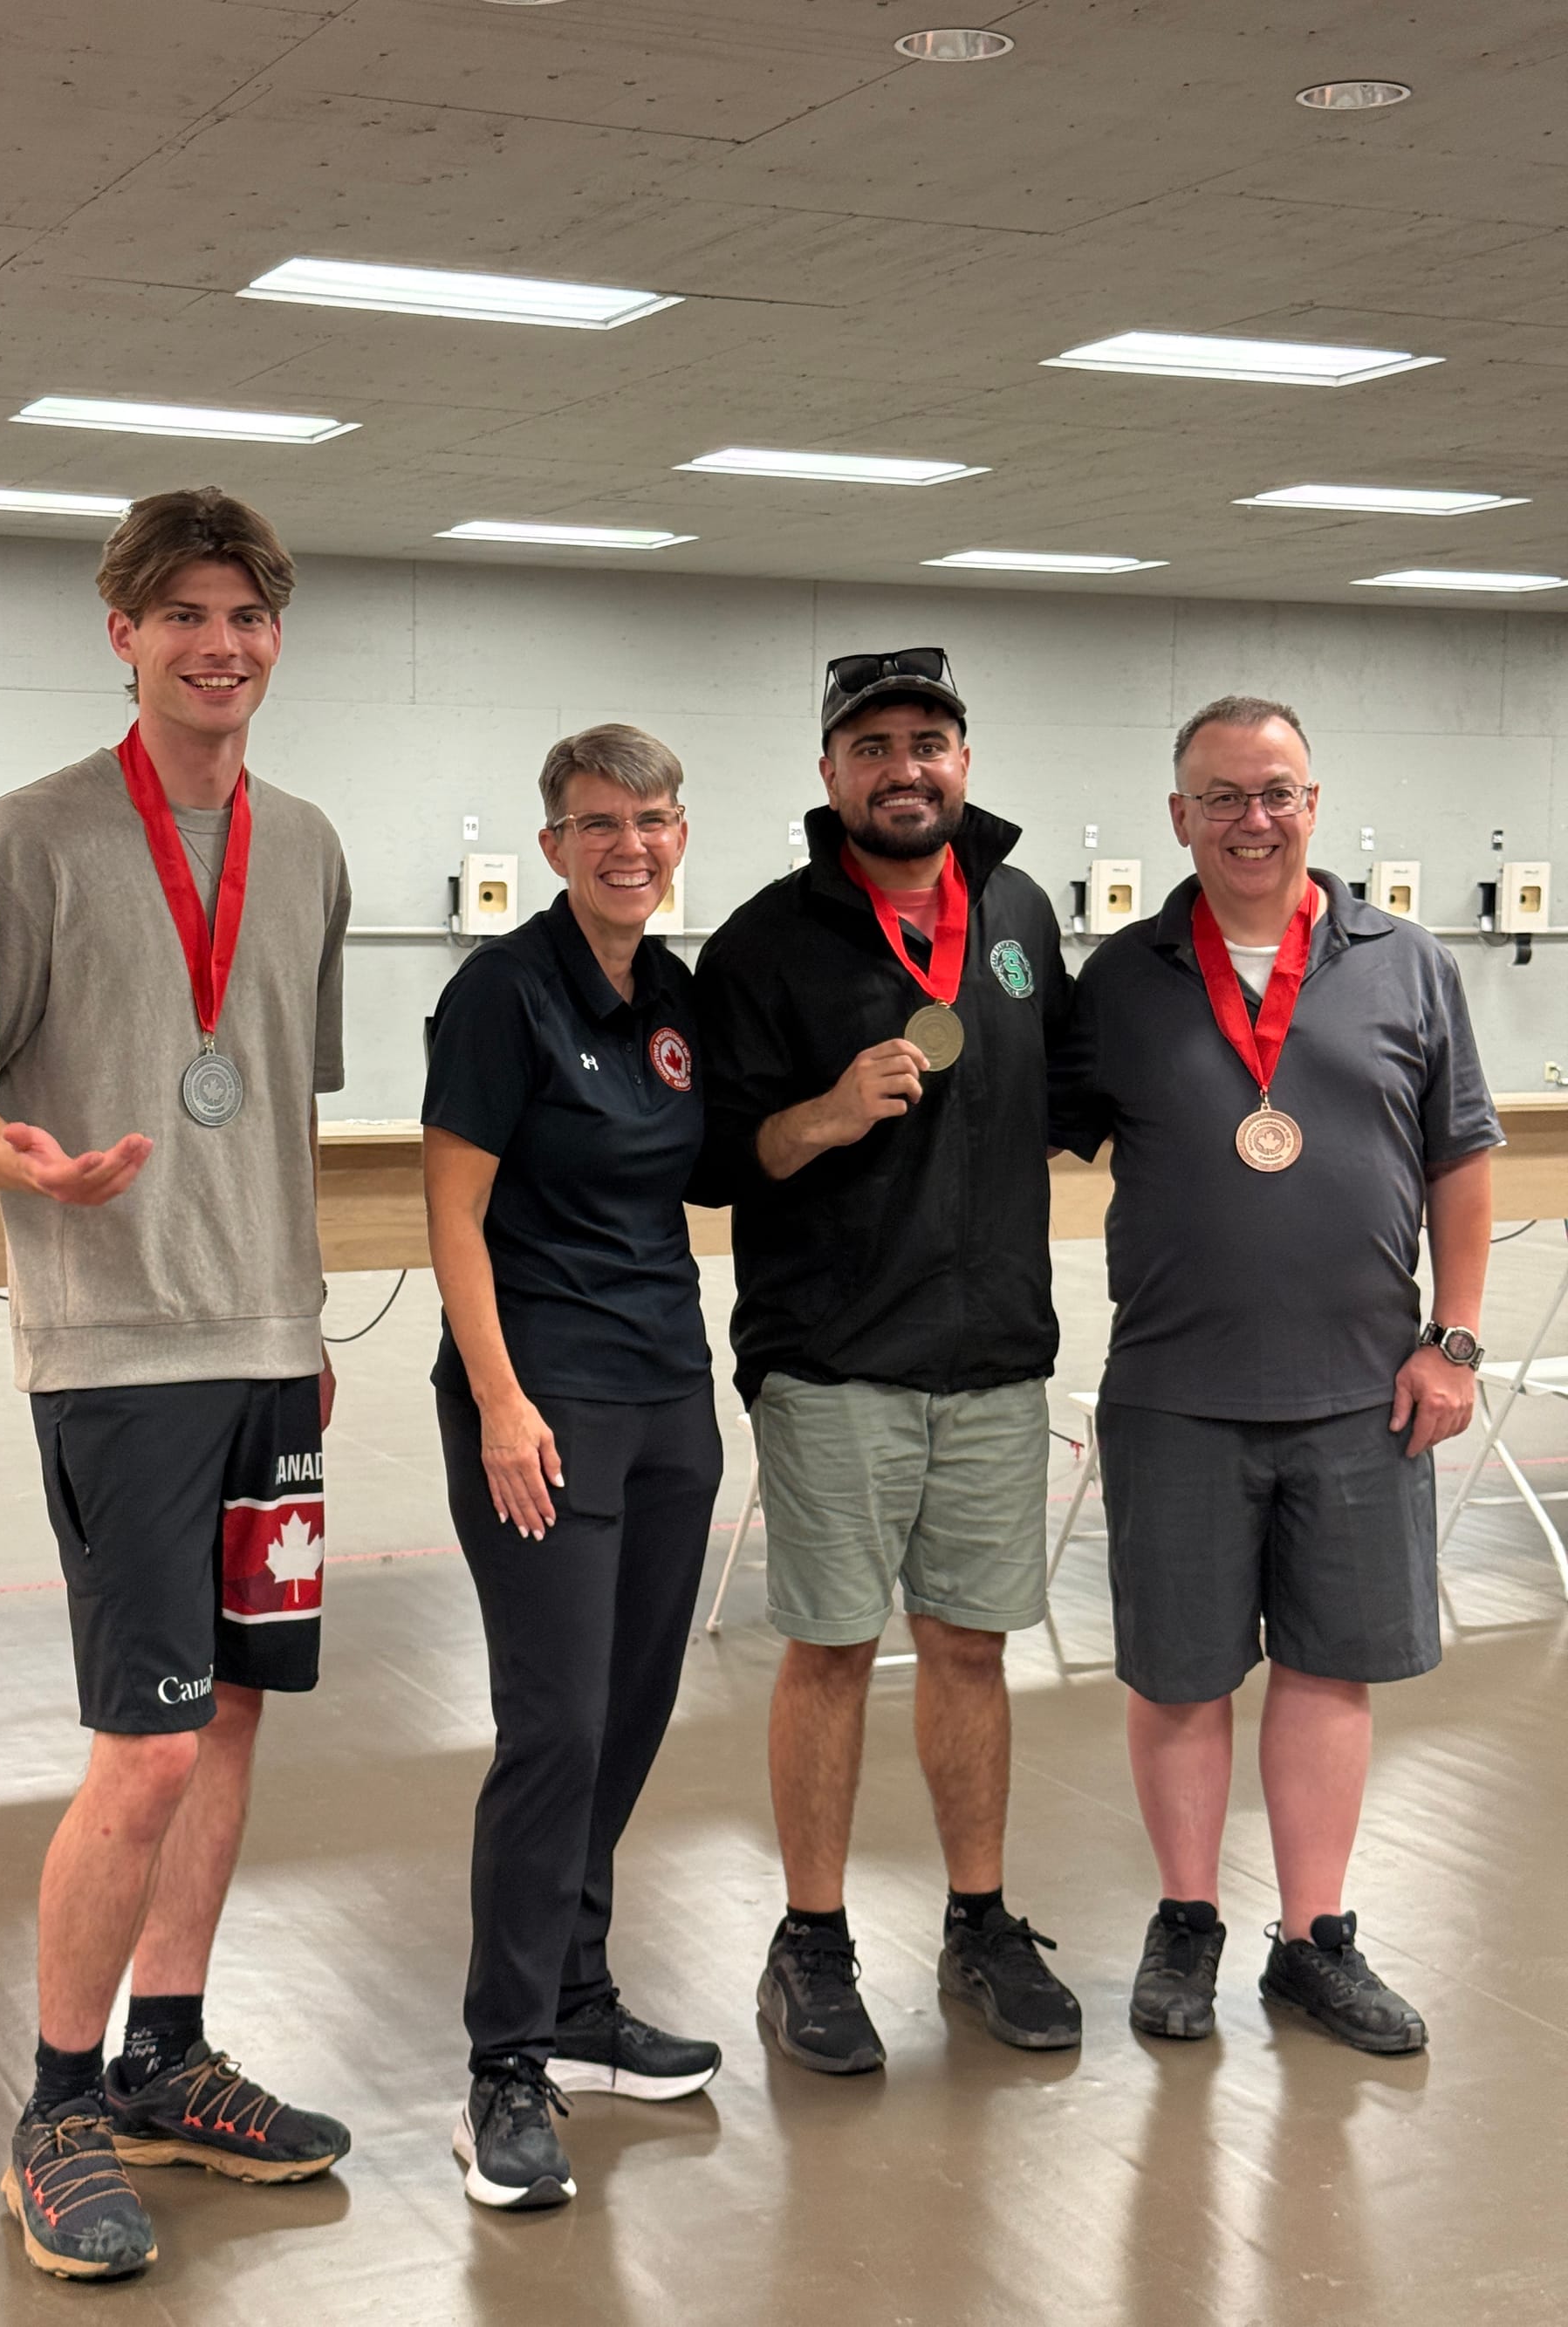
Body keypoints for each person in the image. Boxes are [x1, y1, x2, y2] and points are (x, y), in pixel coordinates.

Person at [0, 488, 353, 2280]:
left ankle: (170, 2057)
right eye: (184, 615)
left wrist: (306, 1322)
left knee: (230, 1714)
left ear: (272, 637)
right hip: (121, 1355)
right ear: (125, 636)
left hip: (268, 1352)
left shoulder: (309, 845)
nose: (218, 645)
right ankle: (57, 2104)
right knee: (146, 1739)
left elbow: (272, 1097)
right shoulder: (34, 836)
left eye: (245, 615)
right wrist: (14, 1157)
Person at [1051, 694, 1500, 2052]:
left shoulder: (1407, 963)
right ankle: (1187, 1921)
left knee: (1327, 1671)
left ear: (1313, 804)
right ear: (1178, 816)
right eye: (1222, 797)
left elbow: (1461, 1156)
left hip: (1365, 1393)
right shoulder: (1122, 980)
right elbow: (1031, 1134)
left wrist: (1456, 1338)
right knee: (1180, 1677)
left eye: (1277, 793)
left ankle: (1315, 1942)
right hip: (1175, 1392)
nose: (1253, 820)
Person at [695, 647, 1080, 2074]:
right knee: (834, 1648)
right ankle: (812, 1939)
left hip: (995, 1354)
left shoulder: (1018, 911)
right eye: (872, 747)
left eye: (928, 741)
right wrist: (828, 1113)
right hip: (836, 1358)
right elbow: (720, 1160)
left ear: (962, 761)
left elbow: (1078, 1091)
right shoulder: (766, 941)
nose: (903, 768)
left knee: (974, 1647)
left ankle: (978, 1922)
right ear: (830, 773)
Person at [423, 722, 723, 2213]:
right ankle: (503, 2065)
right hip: (543, 1404)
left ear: (681, 835)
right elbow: (451, 1214)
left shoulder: (672, 994)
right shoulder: (504, 992)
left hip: (668, 1394)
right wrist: (497, 1399)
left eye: (652, 819)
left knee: (631, 1712)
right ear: (552, 846)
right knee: (553, 1727)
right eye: (599, 823)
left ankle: (581, 1999)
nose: (629, 845)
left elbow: (705, 1171)